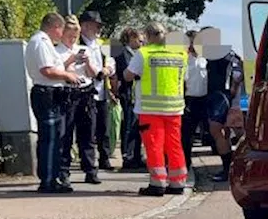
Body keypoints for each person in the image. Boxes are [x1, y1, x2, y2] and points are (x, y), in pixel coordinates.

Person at [25, 12, 89, 193]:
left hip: (49, 93)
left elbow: (55, 66)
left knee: (52, 138)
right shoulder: (41, 42)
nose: (62, 35)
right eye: (61, 30)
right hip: (47, 93)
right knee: (51, 139)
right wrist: (68, 75)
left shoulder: (42, 42)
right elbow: (47, 70)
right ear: (55, 27)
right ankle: (48, 180)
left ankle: (50, 178)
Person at [124, 22, 188, 196]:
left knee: (154, 146)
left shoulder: (143, 54)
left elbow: (128, 76)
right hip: (174, 109)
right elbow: (185, 77)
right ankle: (178, 183)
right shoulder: (180, 54)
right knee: (174, 145)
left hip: (150, 109)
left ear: (148, 35)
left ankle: (157, 183)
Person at [56, 15, 102, 185]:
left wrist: (88, 61)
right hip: (67, 93)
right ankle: (63, 171)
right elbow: (58, 70)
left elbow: (93, 74)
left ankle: (90, 170)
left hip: (86, 93)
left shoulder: (84, 48)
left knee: (88, 134)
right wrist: (71, 59)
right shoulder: (57, 51)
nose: (73, 39)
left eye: (75, 35)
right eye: (70, 35)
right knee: (65, 134)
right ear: (62, 34)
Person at [79, 11, 115, 170]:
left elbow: (112, 62)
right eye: (96, 25)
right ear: (85, 26)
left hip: (102, 91)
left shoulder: (101, 44)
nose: (99, 29)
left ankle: (104, 158)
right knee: (88, 129)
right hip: (85, 91)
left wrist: (107, 69)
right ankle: (88, 163)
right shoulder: (78, 44)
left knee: (104, 128)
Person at [205, 45, 245, 181]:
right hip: (225, 99)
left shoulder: (224, 55)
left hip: (225, 99)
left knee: (218, 131)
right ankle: (233, 168)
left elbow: (236, 78)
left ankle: (230, 169)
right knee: (227, 133)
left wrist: (232, 94)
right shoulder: (227, 54)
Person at [112, 27, 146, 171]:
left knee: (138, 127)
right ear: (131, 38)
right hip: (128, 94)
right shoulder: (123, 54)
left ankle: (137, 156)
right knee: (129, 126)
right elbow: (130, 73)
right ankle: (128, 156)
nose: (142, 43)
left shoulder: (137, 54)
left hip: (137, 95)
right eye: (140, 40)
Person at [181, 29, 210, 180]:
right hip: (189, 100)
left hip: (205, 99)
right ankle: (186, 163)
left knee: (211, 132)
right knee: (187, 135)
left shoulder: (206, 59)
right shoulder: (184, 59)